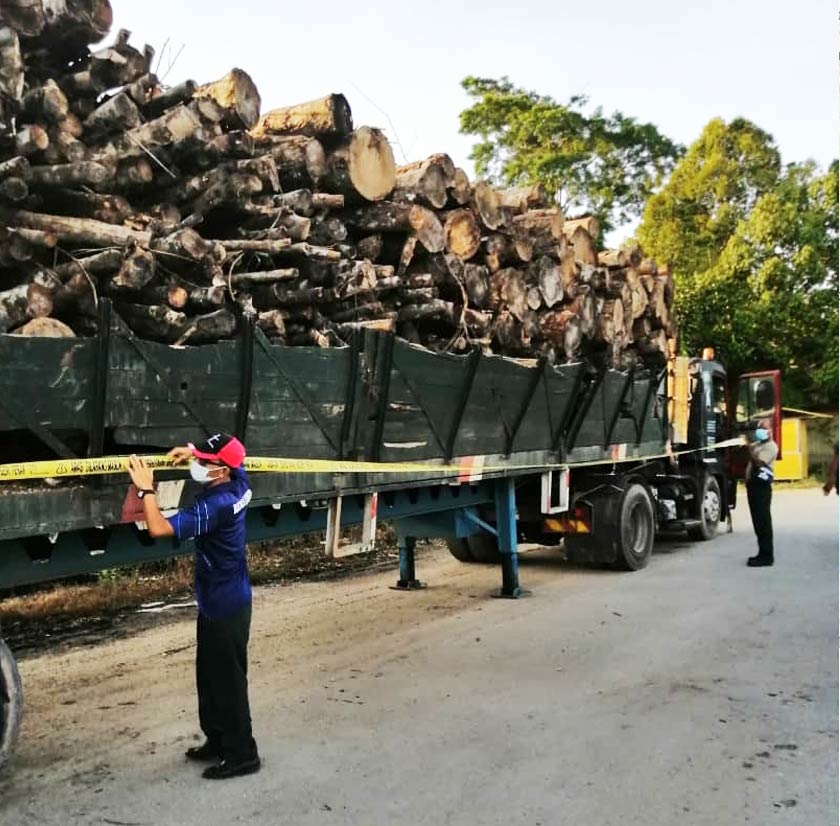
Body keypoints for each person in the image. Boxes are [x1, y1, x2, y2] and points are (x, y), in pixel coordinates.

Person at [127, 433, 260, 780]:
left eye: (203, 461)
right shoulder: (239, 480)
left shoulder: (214, 506)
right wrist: (191, 451)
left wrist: (146, 489)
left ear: (219, 472)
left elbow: (158, 528)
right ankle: (218, 739)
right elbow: (236, 458)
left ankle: (243, 753)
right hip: (221, 597)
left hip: (225, 605)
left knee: (228, 683)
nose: (196, 465)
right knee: (210, 677)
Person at [744, 419, 778, 568]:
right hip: (753, 485)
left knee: (763, 520)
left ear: (770, 430)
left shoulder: (771, 447)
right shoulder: (758, 445)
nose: (760, 431)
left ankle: (767, 556)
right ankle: (762, 552)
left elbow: (759, 463)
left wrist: (748, 449)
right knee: (757, 521)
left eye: (764, 428)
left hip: (761, 487)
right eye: (759, 428)